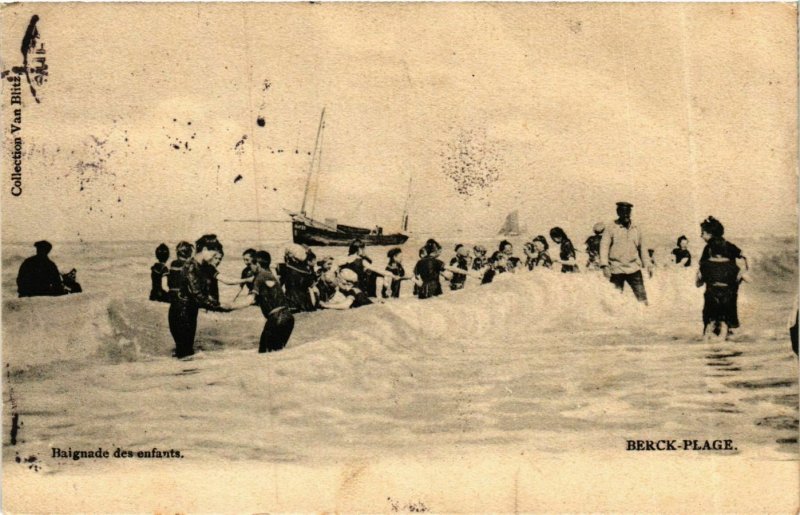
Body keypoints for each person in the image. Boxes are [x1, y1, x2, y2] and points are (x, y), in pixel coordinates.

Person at [168, 235, 232, 359]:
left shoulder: (197, 265)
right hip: (183, 312)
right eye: (213, 253)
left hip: (183, 310)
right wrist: (221, 307)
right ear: (204, 249)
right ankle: (183, 375)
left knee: (184, 352)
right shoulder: (191, 266)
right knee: (185, 352)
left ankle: (182, 375)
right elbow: (197, 295)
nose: (214, 257)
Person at [698, 216, 748, 334]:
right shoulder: (729, 245)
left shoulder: (708, 248)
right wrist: (742, 273)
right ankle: (727, 343)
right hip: (730, 288)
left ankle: (709, 344)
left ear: (710, 234)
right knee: (727, 319)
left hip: (712, 289)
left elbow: (703, 267)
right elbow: (745, 256)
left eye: (702, 233)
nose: (701, 236)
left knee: (710, 320)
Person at [599, 202, 648, 304]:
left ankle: (645, 315)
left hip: (634, 268)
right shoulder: (610, 228)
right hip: (616, 269)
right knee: (615, 300)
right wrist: (604, 265)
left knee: (642, 298)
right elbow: (604, 247)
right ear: (618, 213)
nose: (626, 215)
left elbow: (642, 247)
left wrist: (647, 264)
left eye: (628, 212)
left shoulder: (636, 228)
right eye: (622, 212)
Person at [696, 236, 742, 340]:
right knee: (724, 322)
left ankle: (705, 345)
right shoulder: (732, 265)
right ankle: (724, 345)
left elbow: (698, 283)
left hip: (711, 296)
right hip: (727, 297)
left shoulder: (705, 264)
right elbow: (739, 280)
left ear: (711, 250)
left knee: (710, 323)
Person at [249, 250, 294, 353]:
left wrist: (229, 306)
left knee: (264, 354)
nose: (250, 268)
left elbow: (250, 299)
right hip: (288, 318)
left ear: (257, 264)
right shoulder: (270, 275)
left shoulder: (259, 276)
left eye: (251, 265)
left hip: (276, 318)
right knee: (276, 353)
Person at [279, 244, 316, 313]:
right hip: (306, 302)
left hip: (292, 301)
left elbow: (280, 284)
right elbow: (311, 284)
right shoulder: (306, 270)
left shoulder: (286, 268)